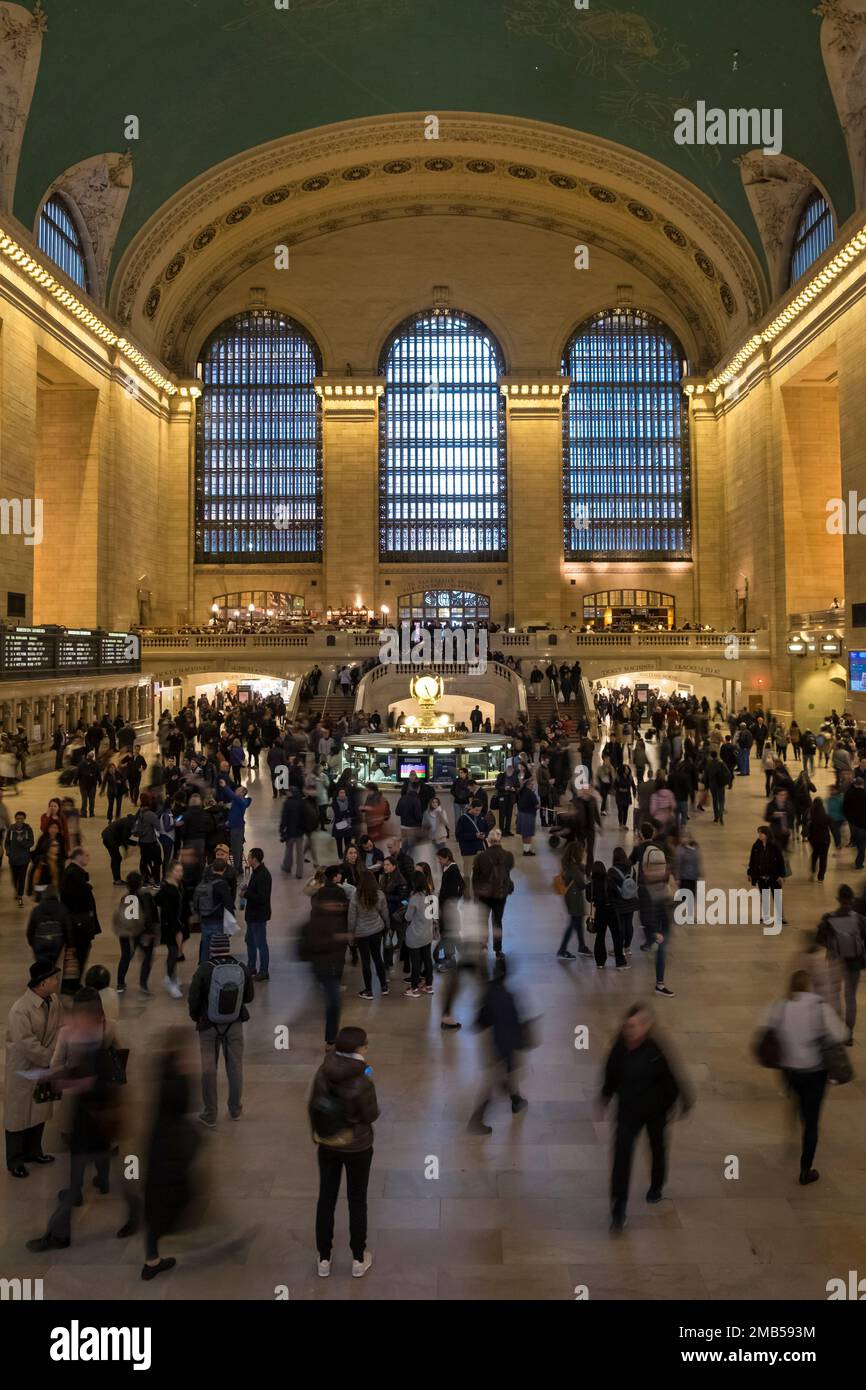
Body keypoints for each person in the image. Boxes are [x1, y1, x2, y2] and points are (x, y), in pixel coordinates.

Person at [600, 1003, 694, 1232]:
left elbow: (673, 1078)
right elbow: (611, 1072)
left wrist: (682, 1102)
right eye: (630, 1025)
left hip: (654, 1112)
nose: (633, 1029)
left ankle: (656, 1184)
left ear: (647, 1026)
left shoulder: (656, 1050)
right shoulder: (619, 1048)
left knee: (657, 1147)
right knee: (621, 1156)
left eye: (639, 1025)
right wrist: (605, 1095)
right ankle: (618, 1208)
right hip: (628, 1112)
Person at [759, 970, 847, 1185]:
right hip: (814, 1072)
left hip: (790, 1071)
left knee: (798, 1099)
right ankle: (806, 1170)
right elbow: (841, 1034)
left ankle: (797, 1110)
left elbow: (764, 1028)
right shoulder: (819, 1009)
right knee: (812, 1122)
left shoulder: (780, 1006)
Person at [309, 1024, 378, 1278]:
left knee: (326, 1198)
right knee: (357, 1200)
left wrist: (318, 1136)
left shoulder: (322, 1071)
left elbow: (312, 1106)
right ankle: (358, 1258)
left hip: (328, 1145)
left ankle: (324, 1258)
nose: (367, 1047)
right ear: (359, 1049)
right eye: (365, 1044)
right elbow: (372, 1114)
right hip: (358, 1146)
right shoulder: (362, 1079)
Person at [137, 1031, 201, 1282]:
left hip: (158, 1144)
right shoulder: (177, 1079)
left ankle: (151, 1258)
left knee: (156, 1201)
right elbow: (183, 1105)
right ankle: (155, 1254)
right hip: (171, 1148)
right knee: (171, 1198)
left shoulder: (163, 1071)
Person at [188, 932, 254, 1128]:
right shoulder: (241, 968)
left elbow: (193, 1000)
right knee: (235, 1068)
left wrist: (197, 1018)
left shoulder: (204, 970)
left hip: (208, 1026)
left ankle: (210, 1114)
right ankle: (234, 1109)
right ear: (227, 947)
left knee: (209, 1071)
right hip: (234, 1024)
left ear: (211, 948)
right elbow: (249, 997)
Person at [4, 963, 62, 1177]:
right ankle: (15, 1160)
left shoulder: (54, 1001)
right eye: (55, 978)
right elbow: (25, 1042)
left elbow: (58, 1029)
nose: (58, 981)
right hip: (24, 1067)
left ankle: (34, 1151)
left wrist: (54, 1054)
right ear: (43, 982)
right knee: (18, 1114)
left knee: (39, 1110)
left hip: (45, 1065)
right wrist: (49, 1057)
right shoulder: (20, 1009)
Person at [467, 957, 529, 1134]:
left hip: (497, 1044)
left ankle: (516, 1100)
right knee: (497, 1080)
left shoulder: (490, 992)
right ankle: (476, 1121)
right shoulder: (507, 996)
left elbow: (480, 1022)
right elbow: (516, 1023)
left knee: (504, 1076)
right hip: (505, 1045)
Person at [301, 875, 351, 1047]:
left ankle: (331, 1037)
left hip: (330, 968)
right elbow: (310, 947)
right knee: (334, 1002)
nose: (337, 906)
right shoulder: (315, 923)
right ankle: (331, 1039)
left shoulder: (334, 920)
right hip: (324, 968)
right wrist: (336, 939)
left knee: (334, 1002)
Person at [817, 886, 866, 1044]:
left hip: (836, 959)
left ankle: (836, 1031)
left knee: (835, 995)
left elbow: (819, 939)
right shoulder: (860, 919)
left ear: (838, 899)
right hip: (854, 961)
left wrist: (832, 944)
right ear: (852, 900)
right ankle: (849, 1034)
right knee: (850, 997)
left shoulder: (829, 918)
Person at [472, 827, 514, 957]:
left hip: (484, 894)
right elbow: (508, 871)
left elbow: (475, 877)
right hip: (501, 893)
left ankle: (483, 946)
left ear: (488, 841)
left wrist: (475, 893)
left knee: (483, 920)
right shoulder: (508, 856)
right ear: (500, 839)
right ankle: (498, 949)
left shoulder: (480, 857)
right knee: (497, 921)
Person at [348, 868, 390, 999]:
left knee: (365, 961)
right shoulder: (379, 894)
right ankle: (384, 986)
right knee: (378, 957)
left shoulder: (355, 897)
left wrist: (351, 935)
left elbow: (351, 919)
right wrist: (387, 927)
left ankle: (368, 990)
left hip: (362, 933)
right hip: (377, 930)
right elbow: (385, 914)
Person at [114, 872, 158, 996]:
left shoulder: (125, 898)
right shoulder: (146, 896)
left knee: (125, 956)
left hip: (125, 932)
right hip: (140, 932)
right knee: (148, 955)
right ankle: (143, 984)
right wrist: (151, 931)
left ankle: (120, 983)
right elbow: (150, 915)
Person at [192, 857, 233, 963]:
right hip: (218, 921)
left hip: (205, 920)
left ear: (212, 868)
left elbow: (196, 900)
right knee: (217, 950)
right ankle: (215, 969)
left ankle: (203, 969)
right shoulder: (222, 884)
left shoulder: (204, 881)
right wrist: (231, 923)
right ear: (224, 869)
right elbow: (228, 904)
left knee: (205, 946)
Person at [403, 869, 436, 996]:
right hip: (427, 934)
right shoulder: (431, 895)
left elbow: (408, 918)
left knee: (416, 962)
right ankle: (429, 985)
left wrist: (408, 907)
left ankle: (414, 988)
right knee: (428, 960)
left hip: (415, 936)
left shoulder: (414, 898)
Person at [242, 847, 272, 981]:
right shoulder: (256, 872)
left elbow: (262, 897)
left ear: (255, 859)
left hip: (258, 916)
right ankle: (251, 966)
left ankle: (264, 971)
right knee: (249, 940)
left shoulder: (264, 875)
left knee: (261, 943)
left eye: (249, 857)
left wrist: (246, 894)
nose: (247, 859)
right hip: (252, 915)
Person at [557, 841, 591, 959]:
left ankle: (582, 946)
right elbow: (582, 884)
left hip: (571, 896)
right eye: (582, 853)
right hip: (574, 897)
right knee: (574, 922)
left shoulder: (569, 865)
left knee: (577, 922)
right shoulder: (574, 868)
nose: (583, 854)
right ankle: (563, 948)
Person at [435, 846, 464, 969]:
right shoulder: (448, 867)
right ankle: (452, 955)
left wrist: (454, 900)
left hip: (448, 907)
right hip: (446, 906)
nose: (439, 861)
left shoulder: (453, 869)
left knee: (448, 933)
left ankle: (450, 958)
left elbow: (461, 885)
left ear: (447, 858)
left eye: (440, 859)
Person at [456, 799, 488, 894]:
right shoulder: (463, 819)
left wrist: (484, 834)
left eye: (480, 810)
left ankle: (479, 890)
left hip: (480, 849)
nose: (478, 812)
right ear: (471, 808)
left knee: (480, 872)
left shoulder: (481, 817)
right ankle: (466, 892)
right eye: (476, 810)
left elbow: (486, 829)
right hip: (468, 850)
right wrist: (474, 835)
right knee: (467, 874)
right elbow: (459, 835)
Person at [7, 809, 34, 905]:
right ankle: (16, 889)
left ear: (24, 819)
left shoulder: (28, 830)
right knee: (14, 878)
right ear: (15, 819)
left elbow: (31, 843)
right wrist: (8, 852)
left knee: (22, 878)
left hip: (24, 860)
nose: (19, 820)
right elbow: (7, 843)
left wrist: (22, 840)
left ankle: (20, 896)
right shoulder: (11, 829)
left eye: (21, 818)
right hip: (13, 859)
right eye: (17, 818)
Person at [515, 777, 539, 855]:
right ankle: (527, 851)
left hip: (521, 814)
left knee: (524, 834)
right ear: (528, 785)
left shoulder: (521, 792)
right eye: (532, 784)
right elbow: (537, 805)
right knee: (528, 834)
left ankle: (526, 849)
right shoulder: (531, 793)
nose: (533, 786)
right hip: (528, 816)